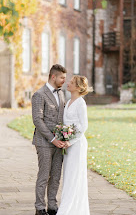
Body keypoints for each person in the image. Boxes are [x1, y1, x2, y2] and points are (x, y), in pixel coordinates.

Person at [32, 64, 67, 215]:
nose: (64, 80)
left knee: (56, 175)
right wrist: (52, 139)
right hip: (44, 142)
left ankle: (52, 206)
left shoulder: (61, 93)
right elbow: (37, 120)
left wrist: (64, 138)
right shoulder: (39, 95)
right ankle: (40, 208)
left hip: (59, 143)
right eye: (62, 78)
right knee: (44, 175)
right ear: (53, 77)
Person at [56, 75, 93, 215]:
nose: (68, 83)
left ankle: (68, 210)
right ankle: (71, 208)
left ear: (78, 87)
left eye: (71, 82)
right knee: (68, 176)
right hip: (68, 145)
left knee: (74, 175)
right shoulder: (69, 101)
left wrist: (69, 141)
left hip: (77, 145)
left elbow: (83, 126)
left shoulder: (80, 103)